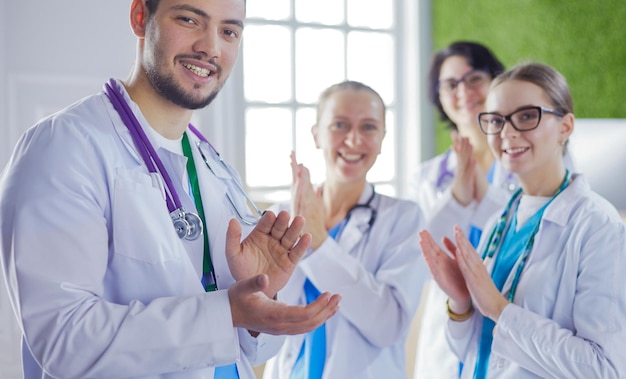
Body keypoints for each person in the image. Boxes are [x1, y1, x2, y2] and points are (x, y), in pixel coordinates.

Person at [0, 0, 341, 378]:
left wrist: (258, 296)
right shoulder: (65, 147)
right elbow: (63, 339)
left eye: (229, 31)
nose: (211, 48)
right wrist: (225, 311)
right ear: (140, 17)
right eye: (190, 19)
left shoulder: (212, 164)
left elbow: (245, 348)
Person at [419, 62, 626, 378]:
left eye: (528, 116)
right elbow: (474, 351)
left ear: (565, 126)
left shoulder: (598, 227)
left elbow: (604, 369)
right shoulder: (500, 221)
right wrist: (461, 304)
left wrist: (499, 309)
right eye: (497, 120)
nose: (508, 132)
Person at [263, 81, 428, 379]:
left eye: (368, 127)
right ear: (317, 134)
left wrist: (320, 242)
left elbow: (388, 325)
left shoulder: (404, 219)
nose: (353, 140)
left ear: (381, 138)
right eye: (340, 125)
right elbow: (263, 318)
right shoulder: (280, 215)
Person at [407, 41, 510, 379]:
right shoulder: (426, 178)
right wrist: (457, 200)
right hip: (449, 326)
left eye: (474, 77)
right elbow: (417, 261)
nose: (463, 91)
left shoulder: (525, 161)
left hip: (512, 311)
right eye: (450, 84)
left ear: (495, 80)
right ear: (438, 96)